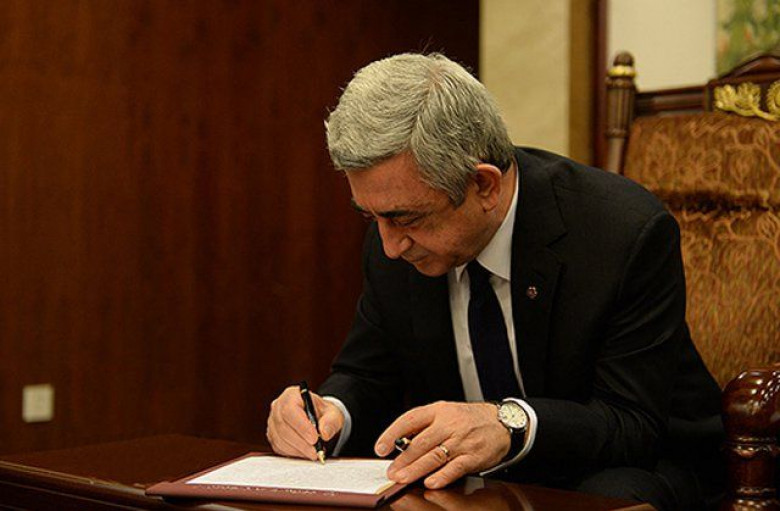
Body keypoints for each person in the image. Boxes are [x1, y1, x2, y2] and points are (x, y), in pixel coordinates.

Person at [266, 53, 723, 511]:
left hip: (623, 464)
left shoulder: (620, 233)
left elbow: (632, 422)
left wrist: (509, 425)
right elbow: (367, 373)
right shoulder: (396, 237)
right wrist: (329, 413)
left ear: (484, 185)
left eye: (404, 219)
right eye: (371, 217)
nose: (389, 246)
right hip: (468, 480)